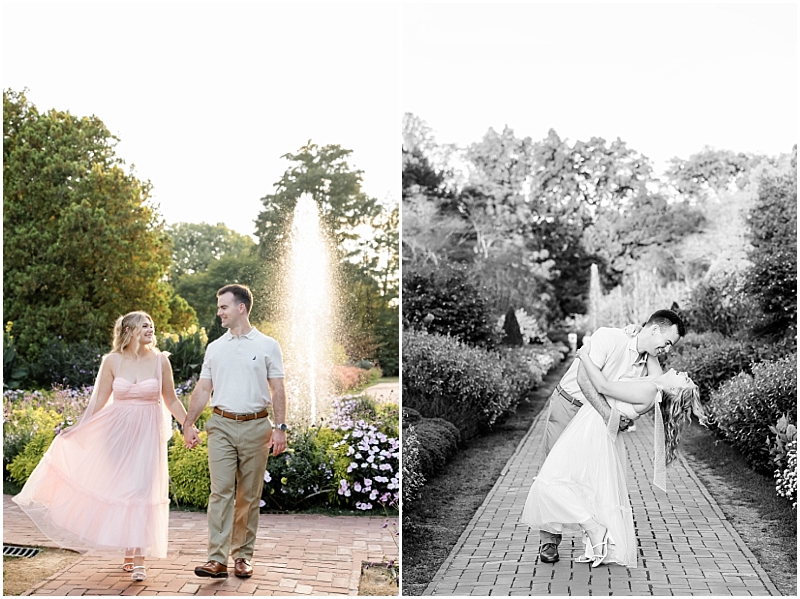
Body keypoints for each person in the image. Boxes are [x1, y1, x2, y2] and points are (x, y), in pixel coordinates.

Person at [12, 312, 188, 582]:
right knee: (126, 489)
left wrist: (189, 425)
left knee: (142, 489)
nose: (150, 328)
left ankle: (139, 558)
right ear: (128, 330)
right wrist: (77, 427)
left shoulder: (160, 361)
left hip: (147, 436)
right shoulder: (112, 361)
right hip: (116, 435)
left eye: (151, 325)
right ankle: (131, 549)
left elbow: (172, 400)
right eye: (144, 325)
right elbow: (98, 402)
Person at [521, 337, 704, 567]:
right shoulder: (655, 384)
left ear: (675, 389)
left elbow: (604, 387)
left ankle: (594, 529)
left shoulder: (650, 389)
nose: (683, 372)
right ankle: (594, 541)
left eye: (684, 379)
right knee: (586, 486)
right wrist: (640, 334)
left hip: (593, 431)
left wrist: (584, 356)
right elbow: (652, 347)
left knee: (549, 483)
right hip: (595, 429)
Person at [183, 284, 287, 579]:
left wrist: (280, 428)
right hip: (221, 426)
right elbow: (204, 388)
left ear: (241, 308)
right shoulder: (215, 348)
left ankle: (243, 556)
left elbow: (278, 388)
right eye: (219, 308)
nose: (219, 313)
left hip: (257, 426)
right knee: (221, 492)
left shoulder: (268, 345)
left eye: (223, 307)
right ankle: (216, 559)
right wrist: (189, 422)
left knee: (248, 496)